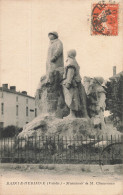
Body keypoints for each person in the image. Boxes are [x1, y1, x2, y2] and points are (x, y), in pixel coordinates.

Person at [62, 49, 88, 118]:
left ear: (69, 54)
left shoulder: (70, 61)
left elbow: (70, 72)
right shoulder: (74, 61)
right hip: (75, 82)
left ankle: (72, 114)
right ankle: (73, 114)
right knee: (74, 98)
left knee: (71, 97)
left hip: (72, 83)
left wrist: (68, 82)